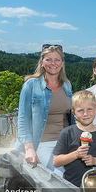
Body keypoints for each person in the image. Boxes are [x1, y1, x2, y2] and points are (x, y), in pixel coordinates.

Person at [15, 44, 74, 176]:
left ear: (62, 63)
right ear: (42, 62)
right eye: (48, 59)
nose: (53, 63)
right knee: (60, 176)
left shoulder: (67, 84)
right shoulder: (31, 85)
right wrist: (29, 149)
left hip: (65, 143)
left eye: (57, 59)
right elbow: (23, 119)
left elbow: (69, 117)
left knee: (79, 175)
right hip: (42, 143)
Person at [52, 90, 96, 187]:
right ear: (74, 113)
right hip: (71, 185)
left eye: (89, 109)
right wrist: (76, 154)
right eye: (80, 110)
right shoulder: (67, 133)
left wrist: (95, 161)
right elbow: (56, 162)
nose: (85, 114)